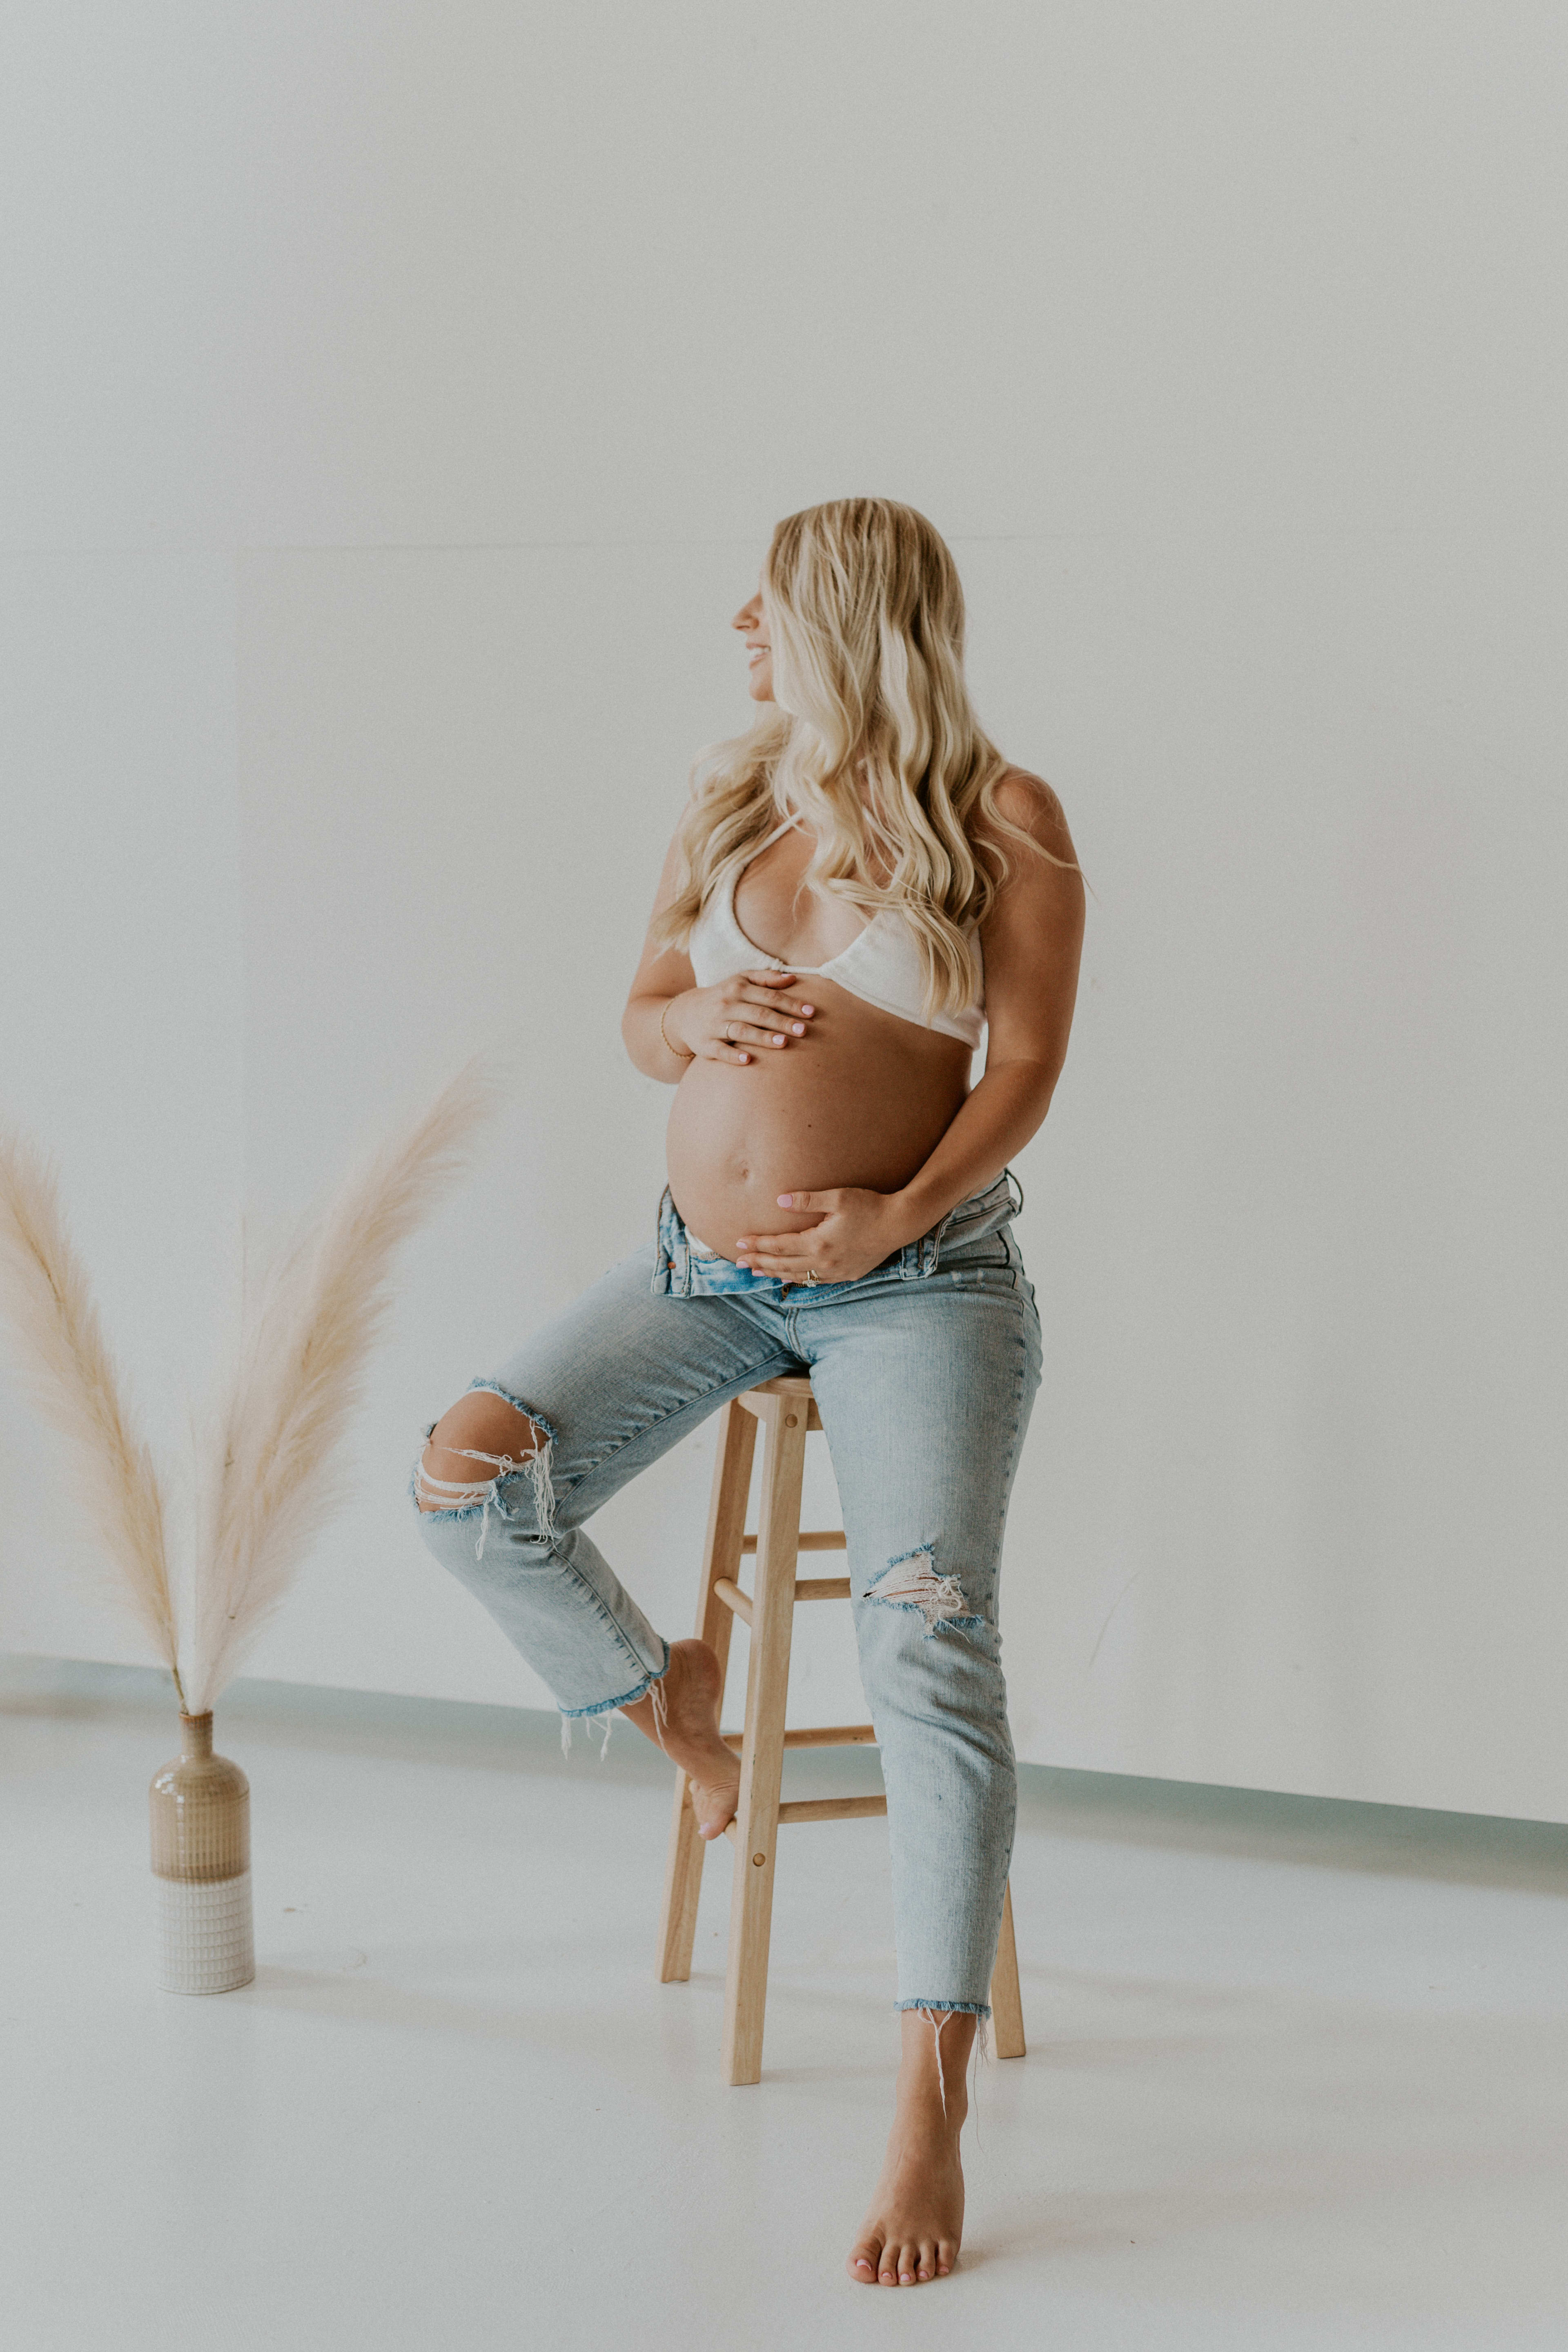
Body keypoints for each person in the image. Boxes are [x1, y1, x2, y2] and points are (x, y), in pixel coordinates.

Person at [411, 496, 1085, 2285]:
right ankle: (687, 1724)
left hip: (917, 1294)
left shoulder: (1003, 820)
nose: (740, 624)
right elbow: (642, 1000)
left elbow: (1022, 1070)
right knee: (465, 1478)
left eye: (768, 602)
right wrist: (683, 1033)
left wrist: (901, 1216)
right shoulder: (732, 797)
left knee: (925, 1645)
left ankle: (925, 2097)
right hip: (700, 1272)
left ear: (848, 618)